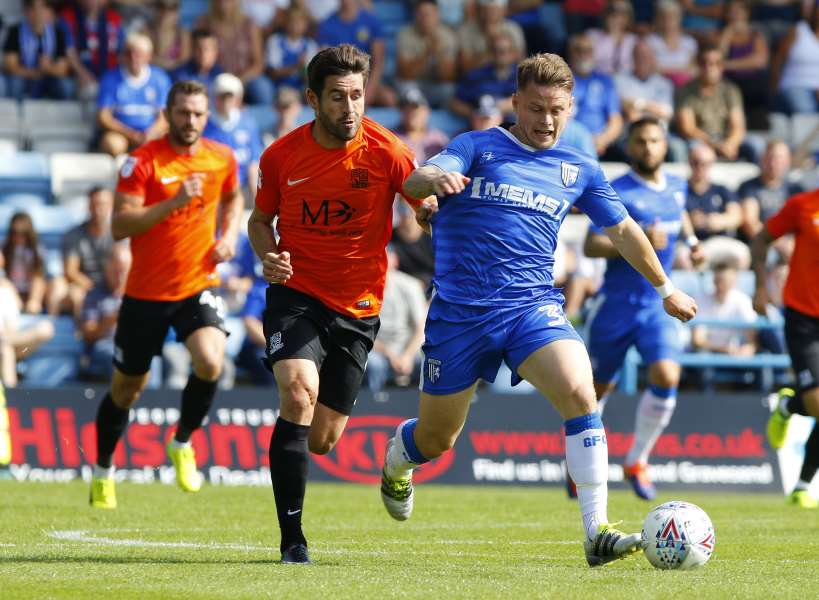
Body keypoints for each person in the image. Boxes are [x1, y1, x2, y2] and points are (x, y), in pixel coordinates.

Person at [378, 54, 698, 567]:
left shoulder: (578, 167)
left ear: (571, 108)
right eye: (536, 108)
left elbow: (622, 230)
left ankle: (597, 532)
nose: (546, 121)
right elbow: (416, 181)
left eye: (557, 110)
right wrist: (431, 184)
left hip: (532, 307)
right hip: (460, 315)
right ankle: (399, 458)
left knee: (579, 390)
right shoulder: (477, 147)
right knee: (438, 438)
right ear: (515, 103)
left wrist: (665, 288)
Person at [247, 44, 419, 564]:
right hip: (297, 293)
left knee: (323, 439)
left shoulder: (389, 152)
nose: (351, 108)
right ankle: (292, 541)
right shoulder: (281, 156)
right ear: (313, 100)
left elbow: (426, 205)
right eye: (339, 97)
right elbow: (260, 222)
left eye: (358, 96)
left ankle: (397, 459)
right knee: (297, 395)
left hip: (360, 306)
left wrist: (432, 210)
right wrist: (267, 255)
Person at [88, 79, 244, 510]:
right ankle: (103, 469)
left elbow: (233, 197)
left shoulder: (221, 157)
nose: (190, 120)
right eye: (182, 112)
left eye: (197, 113)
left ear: (206, 116)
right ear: (168, 113)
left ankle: (182, 442)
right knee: (126, 390)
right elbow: (120, 226)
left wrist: (228, 236)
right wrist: (172, 203)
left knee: (212, 361)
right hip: (145, 293)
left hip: (198, 283)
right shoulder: (141, 162)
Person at [582, 117, 703, 501]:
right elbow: (590, 246)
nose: (648, 147)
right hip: (616, 302)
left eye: (654, 141)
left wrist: (693, 242)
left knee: (667, 375)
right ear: (630, 147)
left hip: (658, 303)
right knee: (595, 391)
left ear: (665, 146)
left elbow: (680, 217)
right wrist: (640, 239)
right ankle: (584, 465)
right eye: (640, 141)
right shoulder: (616, 191)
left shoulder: (678, 187)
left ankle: (636, 460)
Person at [752, 183, 819, 509]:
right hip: (805, 318)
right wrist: (761, 286)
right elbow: (761, 237)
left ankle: (801, 487)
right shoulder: (803, 205)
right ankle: (789, 408)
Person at [97, 32, 172, 156]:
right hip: (121, 134)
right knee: (112, 144)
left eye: (139, 54)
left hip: (151, 133)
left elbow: (165, 117)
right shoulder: (110, 78)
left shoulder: (160, 79)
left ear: (149, 56)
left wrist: (150, 134)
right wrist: (130, 134)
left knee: (170, 141)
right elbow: (104, 117)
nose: (133, 58)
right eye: (129, 53)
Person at [366, 245, 428, 395]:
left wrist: (406, 356)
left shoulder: (410, 286)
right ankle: (374, 406)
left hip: (409, 348)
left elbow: (421, 327)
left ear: (395, 260)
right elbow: (363, 331)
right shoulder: (363, 289)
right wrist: (390, 355)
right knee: (373, 364)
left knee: (433, 361)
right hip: (378, 350)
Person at [675, 43, 751, 162]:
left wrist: (730, 144)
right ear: (698, 65)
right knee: (693, 148)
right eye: (705, 63)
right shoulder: (685, 91)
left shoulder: (730, 90)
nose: (710, 67)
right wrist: (715, 145)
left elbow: (738, 127)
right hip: (699, 139)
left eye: (716, 63)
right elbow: (688, 129)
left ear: (722, 66)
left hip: (725, 138)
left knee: (756, 146)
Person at [195, 0, 273, 105]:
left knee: (261, 88)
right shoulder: (204, 23)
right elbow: (197, 53)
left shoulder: (249, 24)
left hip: (245, 77)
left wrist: (240, 79)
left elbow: (258, 63)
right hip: (214, 76)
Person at [685, 143, 749, 268]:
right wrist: (691, 222)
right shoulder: (680, 189)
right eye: (695, 162)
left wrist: (713, 221)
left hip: (718, 241)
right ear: (689, 162)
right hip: (689, 242)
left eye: (705, 163)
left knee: (741, 254)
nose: (700, 167)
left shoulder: (721, 189)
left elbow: (736, 216)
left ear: (712, 164)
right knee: (684, 258)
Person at [203, 73, 263, 196]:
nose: (226, 101)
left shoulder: (248, 124)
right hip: (215, 188)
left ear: (238, 98)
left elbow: (253, 162)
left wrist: (257, 199)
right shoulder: (204, 125)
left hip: (244, 188)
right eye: (222, 97)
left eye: (230, 97)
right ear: (214, 97)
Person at [79, 242, 131, 380]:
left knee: (151, 356)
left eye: (123, 271)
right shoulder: (94, 295)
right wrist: (111, 320)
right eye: (116, 271)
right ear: (107, 268)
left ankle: (149, 400)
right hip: (104, 345)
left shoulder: (138, 295)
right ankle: (120, 400)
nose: (120, 276)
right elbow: (88, 334)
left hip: (134, 344)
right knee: (117, 355)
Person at [2, 0, 74, 101]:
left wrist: (49, 68)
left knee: (66, 86)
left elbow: (63, 69)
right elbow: (11, 66)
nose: (38, 14)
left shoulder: (58, 33)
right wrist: (33, 73)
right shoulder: (15, 31)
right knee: (13, 83)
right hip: (25, 77)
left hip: (49, 78)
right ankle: (16, 114)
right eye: (33, 9)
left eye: (43, 8)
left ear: (50, 12)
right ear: (26, 11)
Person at [566, 32, 623, 158]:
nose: (583, 55)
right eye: (578, 50)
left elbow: (616, 121)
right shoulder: (562, 80)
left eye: (588, 51)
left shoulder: (605, 81)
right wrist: (586, 141)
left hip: (601, 142)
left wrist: (602, 140)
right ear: (570, 53)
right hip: (569, 140)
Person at [61, 186, 115, 318]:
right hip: (83, 286)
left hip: (112, 285)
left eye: (102, 204)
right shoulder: (74, 235)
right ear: (88, 206)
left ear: (111, 206)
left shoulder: (119, 235)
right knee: (74, 295)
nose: (98, 209)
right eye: (94, 204)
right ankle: (82, 331)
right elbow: (70, 271)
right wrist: (93, 287)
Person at [395, 0, 458, 109]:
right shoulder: (405, 34)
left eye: (428, 14)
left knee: (449, 90)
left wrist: (438, 54)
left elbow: (448, 77)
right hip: (414, 84)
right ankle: (415, 115)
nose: (424, 18)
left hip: (435, 85)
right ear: (415, 15)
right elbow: (405, 74)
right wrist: (427, 53)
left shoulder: (448, 36)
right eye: (421, 14)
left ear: (437, 15)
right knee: (407, 87)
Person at [60, 0, 126, 102]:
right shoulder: (68, 17)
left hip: (111, 75)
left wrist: (115, 77)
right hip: (81, 77)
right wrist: (82, 74)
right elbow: (69, 51)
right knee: (91, 91)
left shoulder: (114, 18)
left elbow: (122, 51)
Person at [691, 261, 757, 356]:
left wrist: (747, 349)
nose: (720, 286)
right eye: (717, 281)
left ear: (733, 282)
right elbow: (697, 340)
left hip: (731, 356)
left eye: (725, 282)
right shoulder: (701, 300)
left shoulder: (742, 301)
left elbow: (752, 339)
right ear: (713, 280)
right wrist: (723, 350)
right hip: (707, 356)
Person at [264, 5, 318, 93]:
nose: (295, 25)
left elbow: (311, 77)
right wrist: (297, 66)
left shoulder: (310, 45)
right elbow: (273, 72)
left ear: (305, 25)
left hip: (301, 89)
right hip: (278, 87)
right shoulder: (275, 41)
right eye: (292, 21)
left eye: (299, 22)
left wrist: (304, 70)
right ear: (286, 23)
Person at [394, 87, 449, 165]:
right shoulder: (392, 137)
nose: (410, 112)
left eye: (415, 108)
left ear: (426, 111)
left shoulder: (439, 139)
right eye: (405, 108)